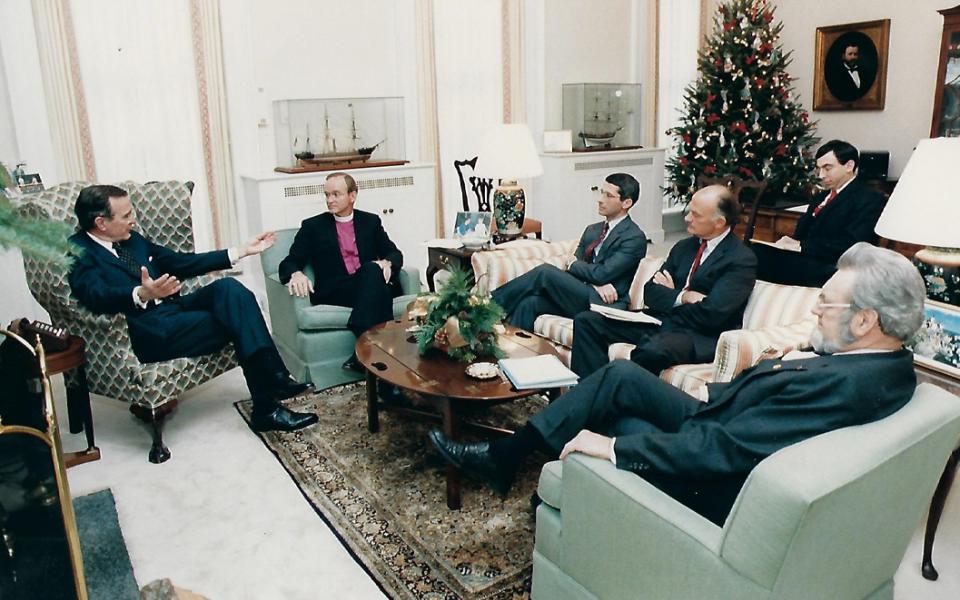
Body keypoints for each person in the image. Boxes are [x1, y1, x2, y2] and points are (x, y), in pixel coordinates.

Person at [429, 242, 924, 525]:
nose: (814, 312)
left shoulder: (846, 383)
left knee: (609, 418)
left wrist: (616, 449)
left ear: (865, 322)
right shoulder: (881, 366)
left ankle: (533, 475)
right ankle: (512, 459)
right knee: (619, 376)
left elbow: (727, 449)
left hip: (714, 466)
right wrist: (741, 380)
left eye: (826, 304)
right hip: (717, 413)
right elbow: (768, 413)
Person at [68, 185, 317, 432]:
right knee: (239, 319)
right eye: (126, 216)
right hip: (149, 329)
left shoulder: (131, 240)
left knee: (229, 289)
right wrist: (140, 293)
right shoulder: (77, 249)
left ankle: (272, 388)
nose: (133, 221)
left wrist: (240, 251)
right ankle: (269, 398)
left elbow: (180, 262)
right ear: (101, 222)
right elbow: (94, 295)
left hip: (174, 308)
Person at [569, 184, 756, 378]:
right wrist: (684, 297)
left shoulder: (740, 259)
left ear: (719, 222)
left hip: (697, 335)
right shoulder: (684, 247)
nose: (687, 218)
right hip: (660, 320)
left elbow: (712, 314)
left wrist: (671, 298)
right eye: (688, 211)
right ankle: (591, 395)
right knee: (587, 321)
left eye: (696, 215)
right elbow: (650, 292)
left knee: (654, 349)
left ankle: (616, 400)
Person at [279, 172, 404, 372]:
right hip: (337, 291)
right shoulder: (312, 227)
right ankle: (372, 348)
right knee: (378, 280)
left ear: (352, 195)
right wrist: (296, 273)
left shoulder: (371, 222)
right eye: (327, 194)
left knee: (373, 271)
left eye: (336, 194)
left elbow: (395, 253)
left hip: (367, 286)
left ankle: (367, 356)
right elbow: (289, 262)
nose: (330, 200)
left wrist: (388, 262)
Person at [490, 172, 647, 331]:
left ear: (626, 203)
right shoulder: (593, 230)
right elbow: (579, 267)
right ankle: (512, 351)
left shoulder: (634, 237)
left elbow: (599, 273)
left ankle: (489, 307)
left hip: (606, 304)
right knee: (529, 303)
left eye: (609, 196)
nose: (600, 200)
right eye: (601, 193)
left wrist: (581, 269)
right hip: (582, 294)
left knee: (545, 272)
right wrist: (595, 281)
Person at [754, 139, 886, 287]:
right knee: (752, 252)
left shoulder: (869, 199)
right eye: (819, 169)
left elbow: (854, 245)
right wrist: (791, 244)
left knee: (755, 257)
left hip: (833, 267)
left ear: (849, 166)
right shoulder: (820, 197)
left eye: (827, 168)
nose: (821, 175)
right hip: (806, 260)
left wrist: (801, 246)